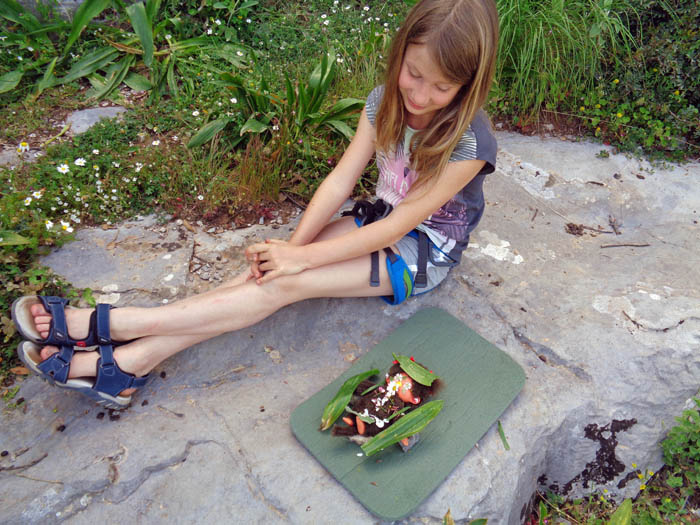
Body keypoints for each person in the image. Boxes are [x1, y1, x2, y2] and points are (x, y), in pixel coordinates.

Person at [11, 0, 499, 409]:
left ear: (468, 84)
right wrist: (289, 248)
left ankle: (117, 324)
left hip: (420, 253)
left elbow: (400, 231)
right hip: (379, 219)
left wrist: (300, 260)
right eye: (413, 74)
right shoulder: (382, 101)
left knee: (282, 286)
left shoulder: (470, 145)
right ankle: (127, 366)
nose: (420, 95)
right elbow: (339, 181)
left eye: (442, 87)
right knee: (266, 275)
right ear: (400, 56)